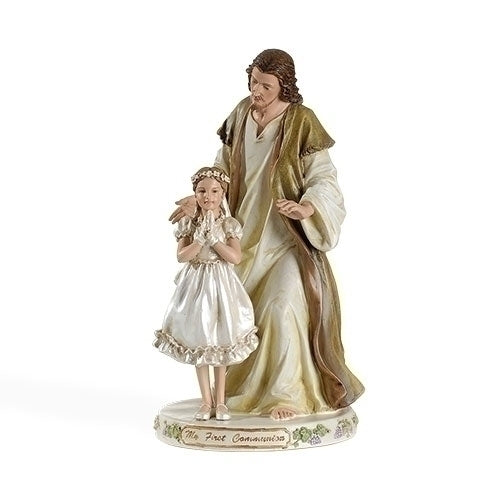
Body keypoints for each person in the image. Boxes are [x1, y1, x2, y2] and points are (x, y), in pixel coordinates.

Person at [170, 49, 364, 421]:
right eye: (253, 81)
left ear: (283, 86)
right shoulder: (241, 113)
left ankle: (285, 394)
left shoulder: (301, 121)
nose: (256, 91)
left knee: (281, 306)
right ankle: (227, 395)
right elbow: (222, 170)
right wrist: (200, 198)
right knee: (229, 312)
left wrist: (308, 207)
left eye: (265, 85)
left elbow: (324, 178)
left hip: (285, 239)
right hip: (239, 237)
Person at [155, 167, 259, 421]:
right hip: (196, 286)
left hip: (221, 286)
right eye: (202, 191)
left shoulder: (228, 224)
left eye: (214, 191)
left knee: (220, 341)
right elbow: (182, 256)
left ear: (222, 194)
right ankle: (205, 401)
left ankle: (220, 402)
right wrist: (199, 240)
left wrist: (215, 241)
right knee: (200, 341)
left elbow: (235, 257)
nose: (208, 197)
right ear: (195, 194)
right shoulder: (188, 223)